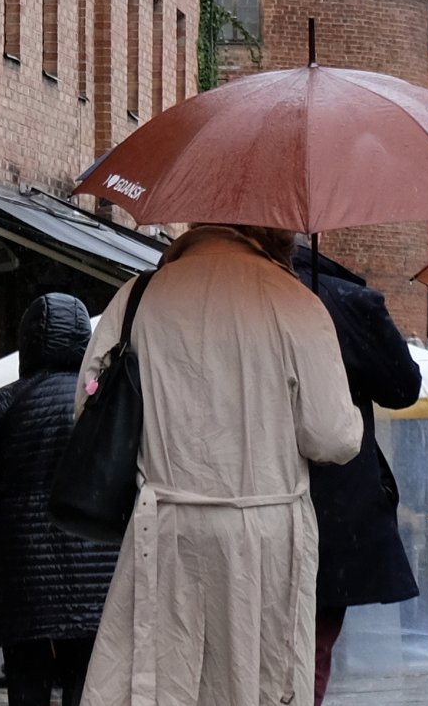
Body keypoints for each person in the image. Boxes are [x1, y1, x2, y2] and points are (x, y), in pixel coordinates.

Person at [80, 226, 361, 706]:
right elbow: (332, 437)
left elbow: (88, 410)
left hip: (166, 530)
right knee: (254, 682)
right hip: (262, 540)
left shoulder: (139, 296)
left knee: (163, 684)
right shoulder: (295, 302)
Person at [0, 292, 118, 706]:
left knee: (26, 685)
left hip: (21, 578)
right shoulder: (102, 400)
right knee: (87, 688)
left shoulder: (4, 403)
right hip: (96, 577)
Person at [286, 241, 424, 701]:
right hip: (335, 507)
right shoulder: (345, 302)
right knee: (314, 649)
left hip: (248, 493)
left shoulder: (232, 296)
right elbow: (403, 388)